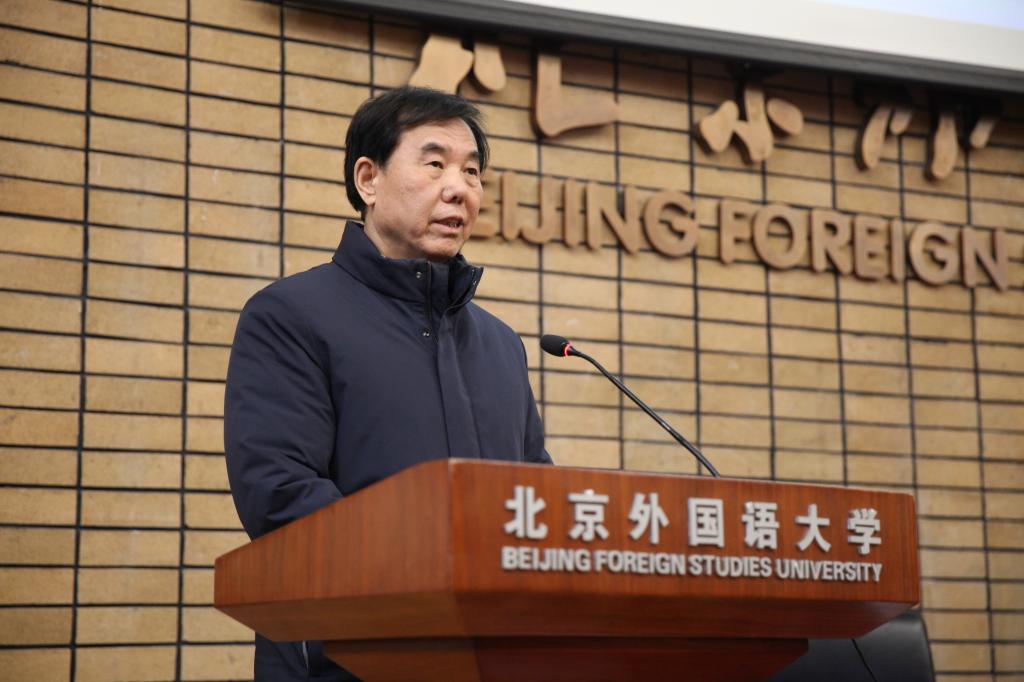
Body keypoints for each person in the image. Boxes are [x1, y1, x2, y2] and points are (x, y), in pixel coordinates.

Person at [224, 86, 552, 680]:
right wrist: (436, 569)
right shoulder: (291, 316)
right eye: (435, 164)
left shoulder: (502, 344)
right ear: (368, 179)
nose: (459, 188)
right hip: (343, 662)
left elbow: (535, 500)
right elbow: (280, 494)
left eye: (472, 171)